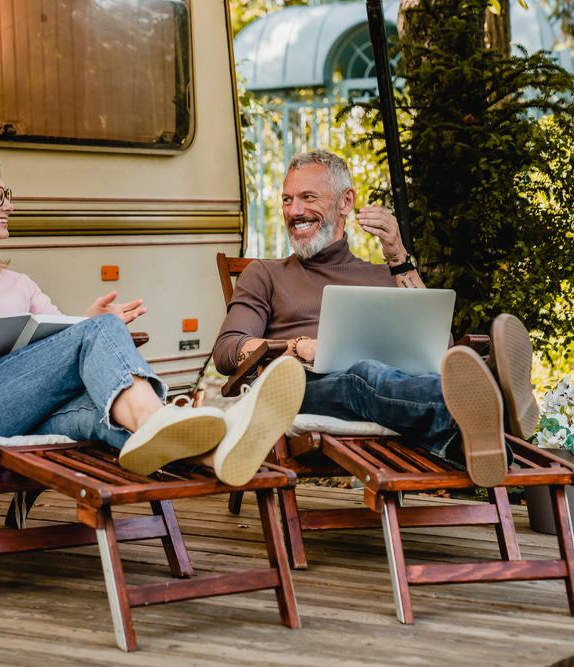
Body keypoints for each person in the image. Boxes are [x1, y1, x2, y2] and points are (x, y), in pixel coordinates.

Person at [0, 152, 306, 495]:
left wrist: (89, 324)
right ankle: (183, 417)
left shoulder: (16, 282)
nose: (9, 204)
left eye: (6, 193)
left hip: (27, 413)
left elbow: (58, 347)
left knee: (103, 413)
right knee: (100, 333)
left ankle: (212, 451)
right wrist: (3, 348)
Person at [213, 150, 539, 487]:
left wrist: (398, 255)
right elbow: (227, 350)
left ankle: (476, 419)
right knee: (362, 375)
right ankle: (496, 397)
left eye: (308, 198)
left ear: (346, 201)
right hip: (301, 388)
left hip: (391, 389)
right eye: (287, 200)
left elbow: (439, 346)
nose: (294, 211)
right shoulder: (265, 274)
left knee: (383, 372)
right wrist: (300, 347)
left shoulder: (383, 276)